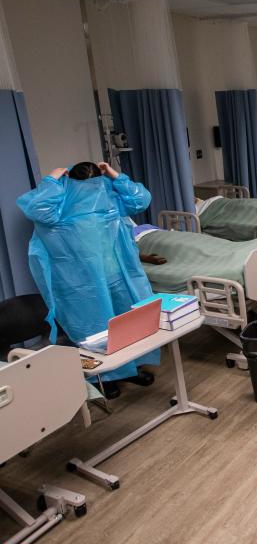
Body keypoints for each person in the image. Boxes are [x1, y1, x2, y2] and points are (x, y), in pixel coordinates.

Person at [17, 161, 157, 399]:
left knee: (128, 323)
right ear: (70, 184)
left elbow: (140, 199)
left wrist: (115, 175)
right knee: (96, 330)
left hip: (118, 274)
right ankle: (103, 376)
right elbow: (36, 209)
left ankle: (130, 368)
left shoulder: (110, 198)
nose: (91, 192)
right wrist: (52, 180)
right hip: (83, 283)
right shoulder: (58, 207)